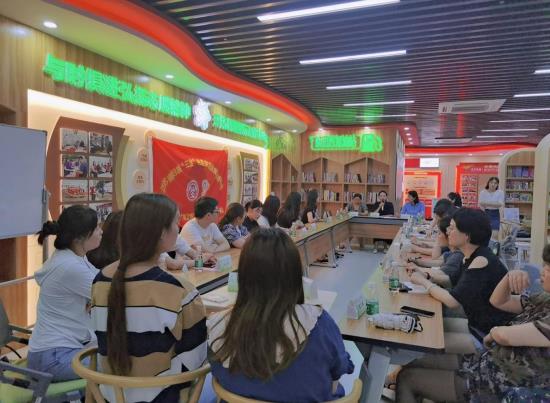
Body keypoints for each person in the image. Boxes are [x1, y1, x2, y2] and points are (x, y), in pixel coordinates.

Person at [208, 228, 354, 401]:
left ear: (243, 274)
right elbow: (339, 370)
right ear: (294, 273)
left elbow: (219, 373)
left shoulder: (219, 327)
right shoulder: (317, 323)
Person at [91, 193, 207, 403]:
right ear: (162, 233)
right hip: (162, 396)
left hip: (109, 394)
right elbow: (196, 360)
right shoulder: (179, 291)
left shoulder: (99, 280)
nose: (179, 228)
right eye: (176, 222)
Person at [396, 244, 550, 403]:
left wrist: (494, 332)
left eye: (549, 268)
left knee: (407, 379)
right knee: (415, 361)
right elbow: (498, 301)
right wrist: (508, 277)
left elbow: (503, 336)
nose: (542, 271)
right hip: (485, 363)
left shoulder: (482, 259)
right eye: (544, 265)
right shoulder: (544, 299)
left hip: (500, 386)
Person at [409, 208, 515, 339]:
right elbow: (450, 279)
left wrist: (423, 282)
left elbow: (452, 301)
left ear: (467, 236)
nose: (448, 231)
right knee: (427, 325)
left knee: (428, 334)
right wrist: (426, 275)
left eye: (452, 228)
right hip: (475, 322)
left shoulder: (481, 260)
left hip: (487, 333)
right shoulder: (470, 256)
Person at [28, 205, 102, 381]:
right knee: (122, 363)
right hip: (53, 358)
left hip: (58, 351)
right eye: (96, 228)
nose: (101, 232)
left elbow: (102, 281)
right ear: (79, 238)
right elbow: (110, 292)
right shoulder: (70, 266)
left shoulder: (73, 256)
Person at [407, 215, 464, 289]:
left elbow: (438, 271)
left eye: (439, 233)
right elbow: (437, 262)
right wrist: (416, 262)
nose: (448, 231)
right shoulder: (452, 253)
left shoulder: (458, 256)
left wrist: (418, 269)